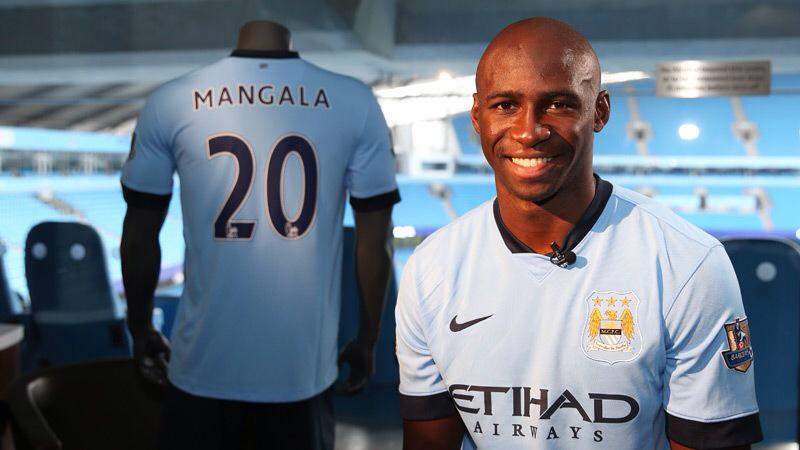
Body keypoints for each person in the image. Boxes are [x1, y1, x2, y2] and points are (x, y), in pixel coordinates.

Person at [395, 17, 761, 450]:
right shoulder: (432, 268)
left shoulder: (689, 264)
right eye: (505, 105)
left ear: (599, 111)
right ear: (477, 115)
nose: (529, 131)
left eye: (558, 104)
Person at [120, 20, 399, 450]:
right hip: (302, 375)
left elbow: (139, 239)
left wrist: (140, 328)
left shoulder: (170, 101)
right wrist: (367, 339)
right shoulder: (354, 101)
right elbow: (375, 244)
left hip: (199, 373)